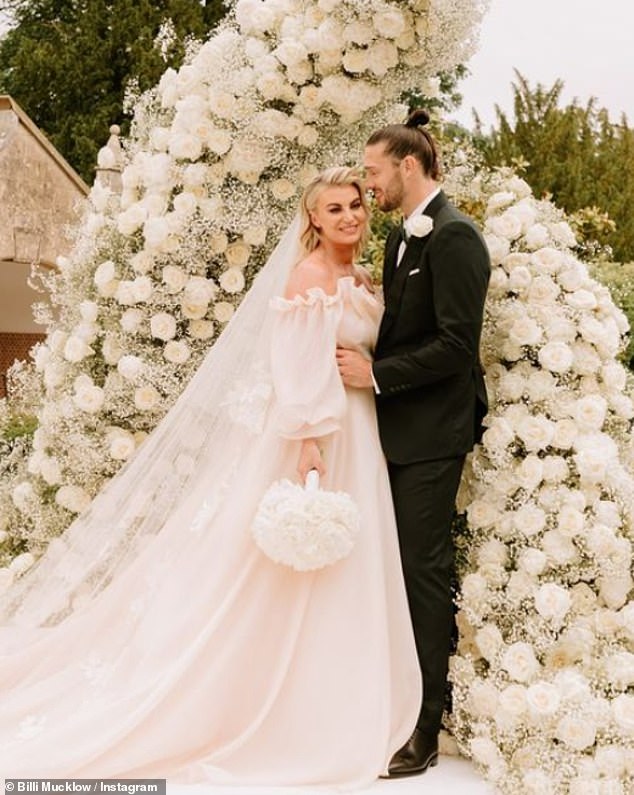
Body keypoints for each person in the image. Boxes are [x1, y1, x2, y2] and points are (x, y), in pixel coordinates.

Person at [0, 167, 421, 788]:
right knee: (281, 569)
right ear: (313, 220)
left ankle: (330, 693)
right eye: (333, 210)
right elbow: (296, 366)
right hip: (323, 435)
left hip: (362, 426)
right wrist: (308, 443)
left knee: (346, 566)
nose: (349, 217)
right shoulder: (307, 277)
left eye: (355, 205)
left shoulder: (359, 277)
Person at [337, 111, 490, 777]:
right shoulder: (403, 235)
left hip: (432, 436)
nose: (368, 186)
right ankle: (397, 702)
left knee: (423, 576)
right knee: (396, 573)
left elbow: (456, 345)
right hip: (394, 435)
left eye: (373, 173)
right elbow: (409, 325)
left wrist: (374, 373)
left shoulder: (455, 237)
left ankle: (425, 729)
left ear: (408, 165)